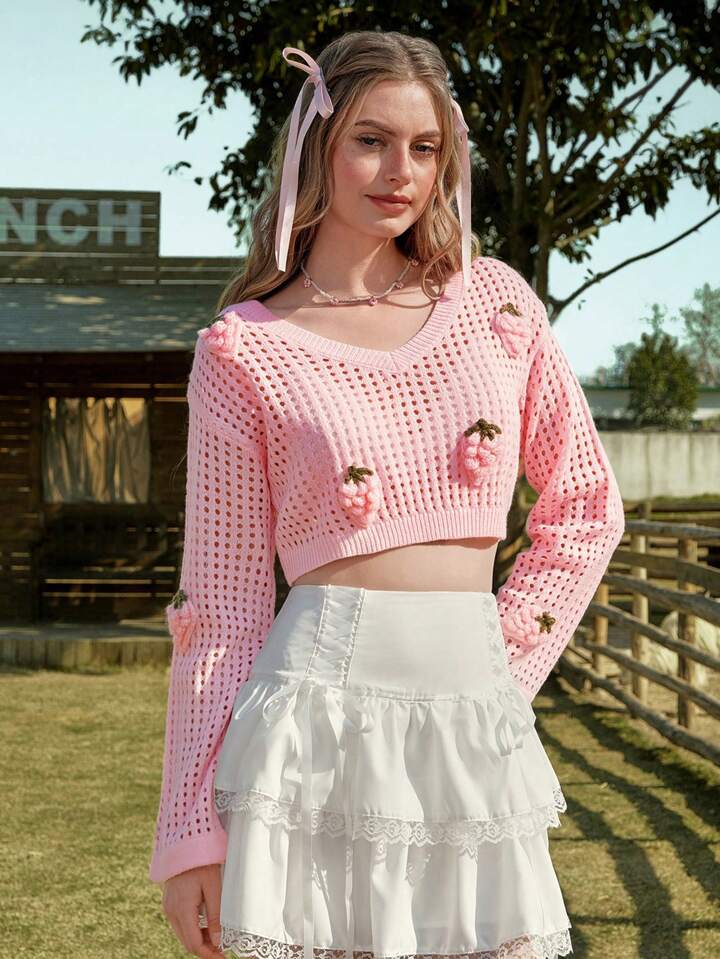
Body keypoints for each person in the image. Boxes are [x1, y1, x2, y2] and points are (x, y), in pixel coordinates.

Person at [148, 29, 625, 959]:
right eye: (371, 140)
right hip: (310, 726)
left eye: (425, 146)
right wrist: (189, 832)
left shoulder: (496, 305)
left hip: (473, 722)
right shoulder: (245, 349)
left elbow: (585, 504)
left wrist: (501, 666)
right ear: (316, 146)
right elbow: (222, 610)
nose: (400, 171)